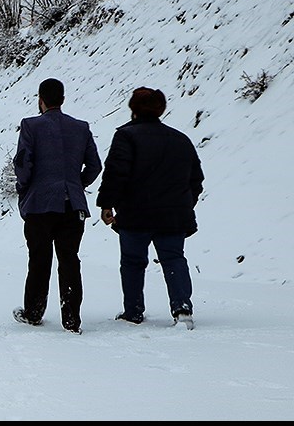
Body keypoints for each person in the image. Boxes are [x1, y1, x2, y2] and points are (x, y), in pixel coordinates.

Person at [96, 87, 204, 329]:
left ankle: (133, 311)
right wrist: (185, 203)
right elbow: (196, 179)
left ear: (133, 109)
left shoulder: (126, 136)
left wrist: (106, 204)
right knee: (174, 258)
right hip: (174, 214)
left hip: (136, 213)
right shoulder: (181, 139)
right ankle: (182, 308)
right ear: (161, 109)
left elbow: (116, 172)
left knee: (133, 262)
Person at [12, 78, 102, 334]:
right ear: (62, 99)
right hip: (72, 206)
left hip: (40, 205)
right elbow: (95, 166)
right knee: (70, 259)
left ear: (41, 100)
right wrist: (75, 184)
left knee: (39, 258)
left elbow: (23, 163)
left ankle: (34, 312)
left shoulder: (30, 126)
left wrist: (24, 187)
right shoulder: (81, 128)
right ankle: (72, 318)